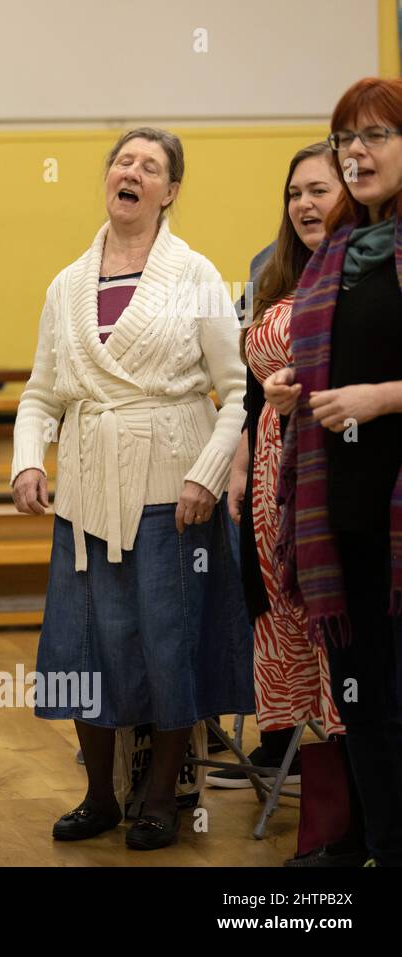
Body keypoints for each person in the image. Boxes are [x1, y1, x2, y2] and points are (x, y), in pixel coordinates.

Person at [12, 127, 252, 850]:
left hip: (169, 491)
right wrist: (29, 460)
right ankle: (97, 796)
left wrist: (206, 475)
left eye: (151, 166)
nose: (133, 172)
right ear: (109, 178)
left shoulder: (197, 275)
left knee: (165, 645)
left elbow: (238, 391)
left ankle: (159, 796)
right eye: (124, 160)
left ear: (169, 191)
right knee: (86, 646)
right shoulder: (66, 283)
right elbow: (40, 393)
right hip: (84, 490)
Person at [267, 76, 402, 866]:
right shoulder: (340, 251)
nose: (357, 152)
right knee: (368, 706)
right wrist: (296, 394)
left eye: (377, 135)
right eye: (346, 137)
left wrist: (382, 399)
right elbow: (326, 365)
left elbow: (375, 381)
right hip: (342, 512)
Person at [213, 144, 346, 794]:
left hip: (333, 457)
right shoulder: (269, 267)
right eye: (295, 193)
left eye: (318, 190)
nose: (304, 204)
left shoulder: (368, 262)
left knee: (332, 614)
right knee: (274, 604)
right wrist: (240, 459)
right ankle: (289, 744)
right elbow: (250, 384)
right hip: (269, 459)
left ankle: (350, 784)